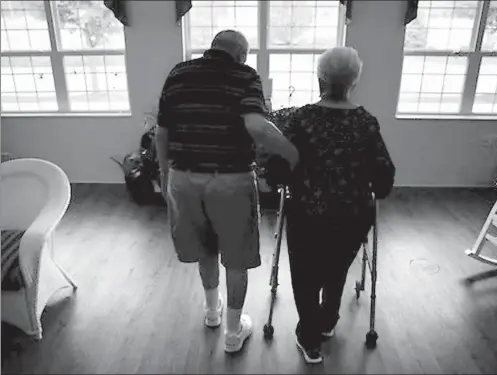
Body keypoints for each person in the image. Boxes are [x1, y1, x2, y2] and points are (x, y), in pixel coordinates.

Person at [155, 30, 299, 354]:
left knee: (205, 248)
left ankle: (211, 312)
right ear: (241, 54)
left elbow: (161, 133)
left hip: (183, 178)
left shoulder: (178, 73)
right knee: (236, 258)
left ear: (212, 48)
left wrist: (165, 176)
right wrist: (293, 154)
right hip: (229, 181)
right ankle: (233, 334)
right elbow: (257, 126)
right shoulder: (244, 75)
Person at [279, 46, 396, 364]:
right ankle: (328, 321)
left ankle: (310, 338)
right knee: (336, 267)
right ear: (354, 81)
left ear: (320, 78)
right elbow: (384, 176)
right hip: (353, 214)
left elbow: (278, 170)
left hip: (307, 212)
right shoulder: (365, 122)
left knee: (306, 276)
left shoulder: (301, 118)